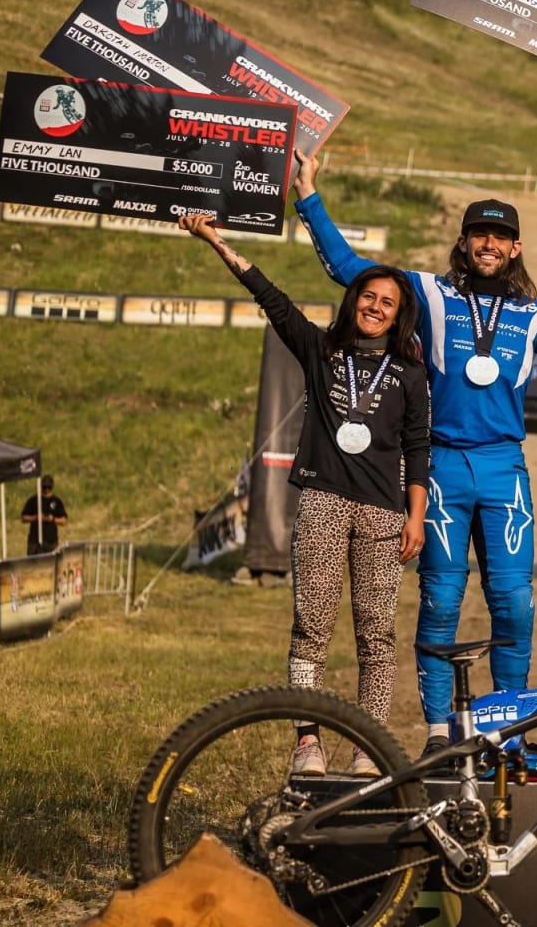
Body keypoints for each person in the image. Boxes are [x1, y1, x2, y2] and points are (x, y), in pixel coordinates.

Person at [292, 151, 537, 756]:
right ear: (463, 242)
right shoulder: (430, 296)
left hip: (503, 469)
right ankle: (440, 733)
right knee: (440, 600)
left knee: (515, 606)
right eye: (479, 234)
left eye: (501, 236)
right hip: (439, 467)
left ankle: (505, 732)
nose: (489, 244)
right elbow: (348, 271)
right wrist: (309, 196)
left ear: (515, 248)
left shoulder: (531, 314)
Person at [180, 214, 429, 777]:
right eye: (368, 297)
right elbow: (271, 297)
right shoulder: (320, 351)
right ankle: (307, 744)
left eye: (387, 303)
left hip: (384, 514)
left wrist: (416, 519)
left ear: (398, 314)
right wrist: (216, 241)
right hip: (321, 502)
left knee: (377, 636)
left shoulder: (412, 375)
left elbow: (418, 449)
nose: (375, 308)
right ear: (353, 300)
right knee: (310, 627)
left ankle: (370, 748)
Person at [21, 474, 68, 555]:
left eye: (48, 487)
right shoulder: (34, 500)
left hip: (51, 541)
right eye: (44, 487)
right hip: (34, 541)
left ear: (52, 487)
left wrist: (52, 519)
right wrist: (36, 517)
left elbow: (64, 521)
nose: (46, 489)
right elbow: (23, 518)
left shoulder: (56, 501)